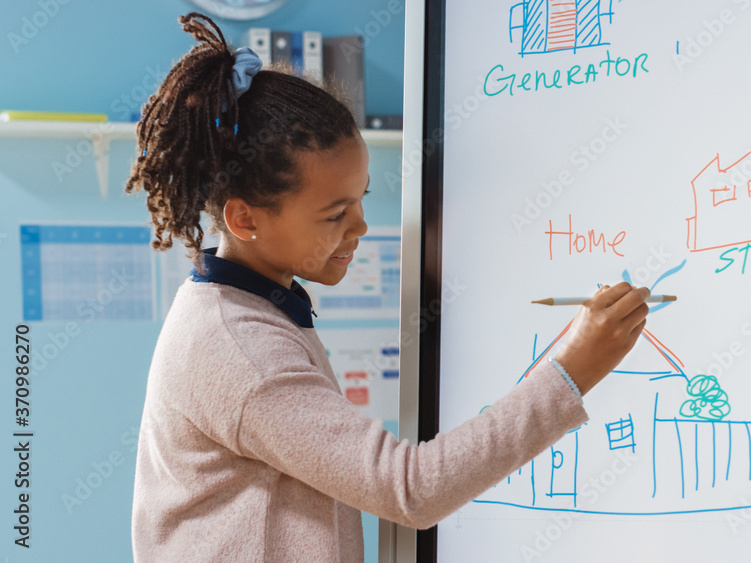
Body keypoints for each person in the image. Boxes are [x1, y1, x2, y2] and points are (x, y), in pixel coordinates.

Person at [127, 13, 650, 562]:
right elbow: (411, 490)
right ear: (245, 219)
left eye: (361, 198)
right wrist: (572, 371)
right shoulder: (239, 346)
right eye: (334, 214)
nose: (360, 227)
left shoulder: (254, 306)